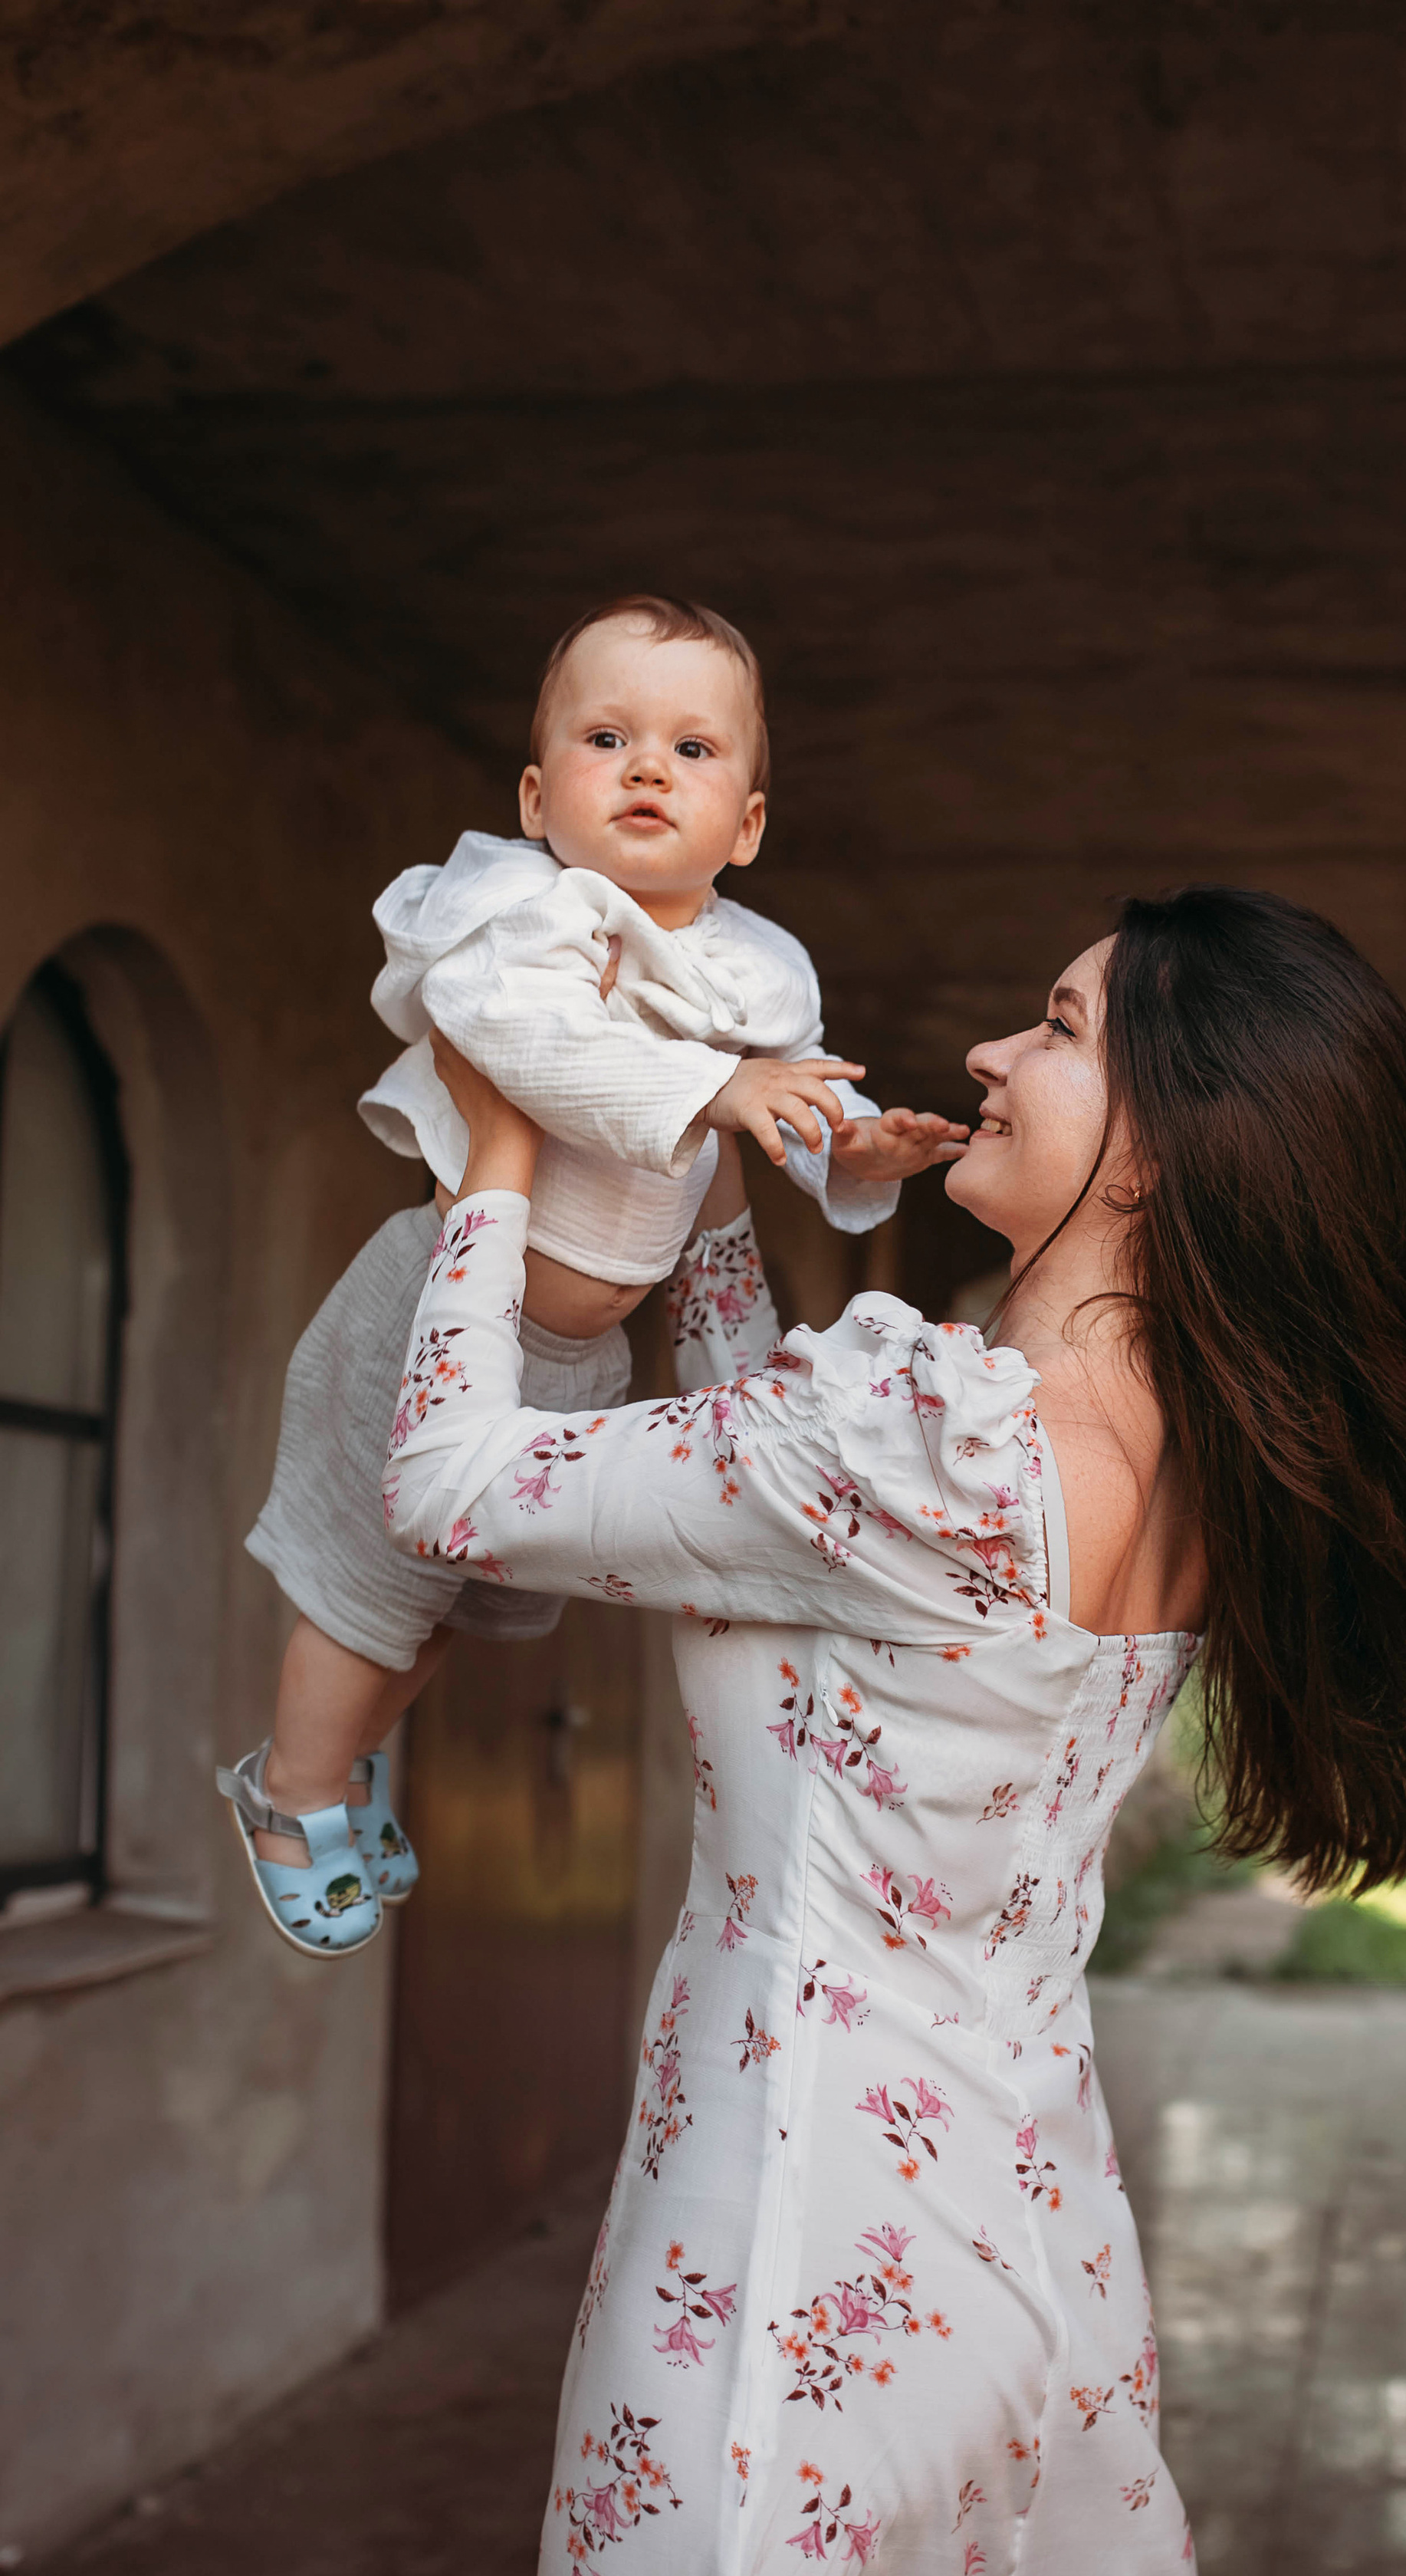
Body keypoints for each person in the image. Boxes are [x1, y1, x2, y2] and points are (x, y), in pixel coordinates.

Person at [383, 886, 1406, 2576]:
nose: (997, 1057)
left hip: (790, 2260)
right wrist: (719, 1184)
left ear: (1176, 1131)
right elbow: (761, 1511)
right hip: (1025, 2260)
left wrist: (502, 1141)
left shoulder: (921, 1441)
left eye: (1060, 1021)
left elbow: (452, 1483)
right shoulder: (1142, 1438)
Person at [221, 594, 964, 1955]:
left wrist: (857, 1152)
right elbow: (542, 1050)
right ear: (533, 791)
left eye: (692, 749)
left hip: (576, 1364)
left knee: (449, 1609)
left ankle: (339, 1771)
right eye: (606, 735)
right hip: (440, 1318)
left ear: (744, 824)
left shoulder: (755, 970)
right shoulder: (517, 917)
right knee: (371, 1601)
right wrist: (724, 1088)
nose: (644, 769)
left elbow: (768, 1120)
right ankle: (295, 1789)